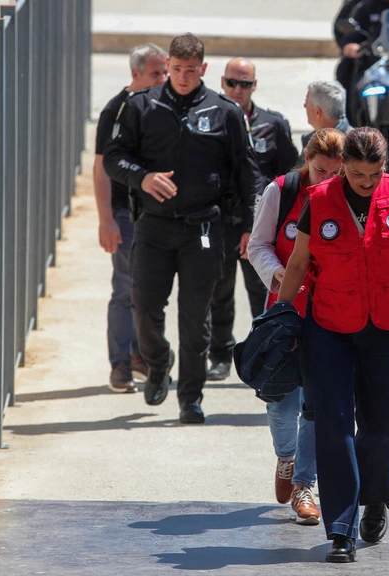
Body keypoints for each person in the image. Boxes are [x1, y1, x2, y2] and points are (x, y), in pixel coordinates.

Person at [275, 127, 389, 563]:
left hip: (386, 326)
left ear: (385, 166)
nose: (366, 182)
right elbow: (298, 261)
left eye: (373, 173)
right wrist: (278, 315)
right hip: (329, 327)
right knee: (333, 423)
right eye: (356, 174)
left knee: (380, 423)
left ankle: (374, 498)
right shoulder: (321, 199)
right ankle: (342, 527)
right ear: (344, 165)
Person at [103, 33, 264, 424]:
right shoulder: (143, 106)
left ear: (203, 69)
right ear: (169, 67)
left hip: (203, 229)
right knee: (144, 307)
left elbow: (247, 173)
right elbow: (113, 159)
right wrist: (142, 178)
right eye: (176, 69)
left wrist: (248, 226)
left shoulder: (223, 111)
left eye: (191, 70)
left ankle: (190, 398)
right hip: (154, 226)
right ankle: (158, 363)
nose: (182, 76)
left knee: (196, 317)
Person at [246, 129, 347, 526]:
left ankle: (305, 484)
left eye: (335, 173)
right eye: (320, 170)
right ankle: (285, 457)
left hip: (331, 314)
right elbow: (257, 245)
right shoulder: (282, 192)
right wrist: (278, 276)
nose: (327, 180)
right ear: (306, 161)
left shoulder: (347, 194)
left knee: (317, 405)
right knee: (281, 404)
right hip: (286, 314)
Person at [207, 57, 300, 381]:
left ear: (254, 86)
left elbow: (292, 173)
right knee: (219, 291)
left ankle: (266, 348)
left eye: (244, 84)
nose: (237, 89)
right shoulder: (211, 118)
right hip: (220, 220)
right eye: (232, 82)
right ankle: (220, 353)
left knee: (263, 290)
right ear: (222, 82)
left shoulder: (272, 124)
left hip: (260, 225)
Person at [93, 43, 167, 392]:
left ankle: (142, 356)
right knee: (125, 288)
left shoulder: (162, 105)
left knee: (149, 291)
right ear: (135, 74)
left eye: (164, 71)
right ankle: (121, 364)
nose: (163, 79)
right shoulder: (116, 111)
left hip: (156, 214)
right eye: (156, 73)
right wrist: (105, 219)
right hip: (125, 213)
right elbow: (101, 168)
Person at [302, 80, 353, 151]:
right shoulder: (353, 144)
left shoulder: (351, 149)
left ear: (317, 112)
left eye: (306, 102)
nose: (304, 105)